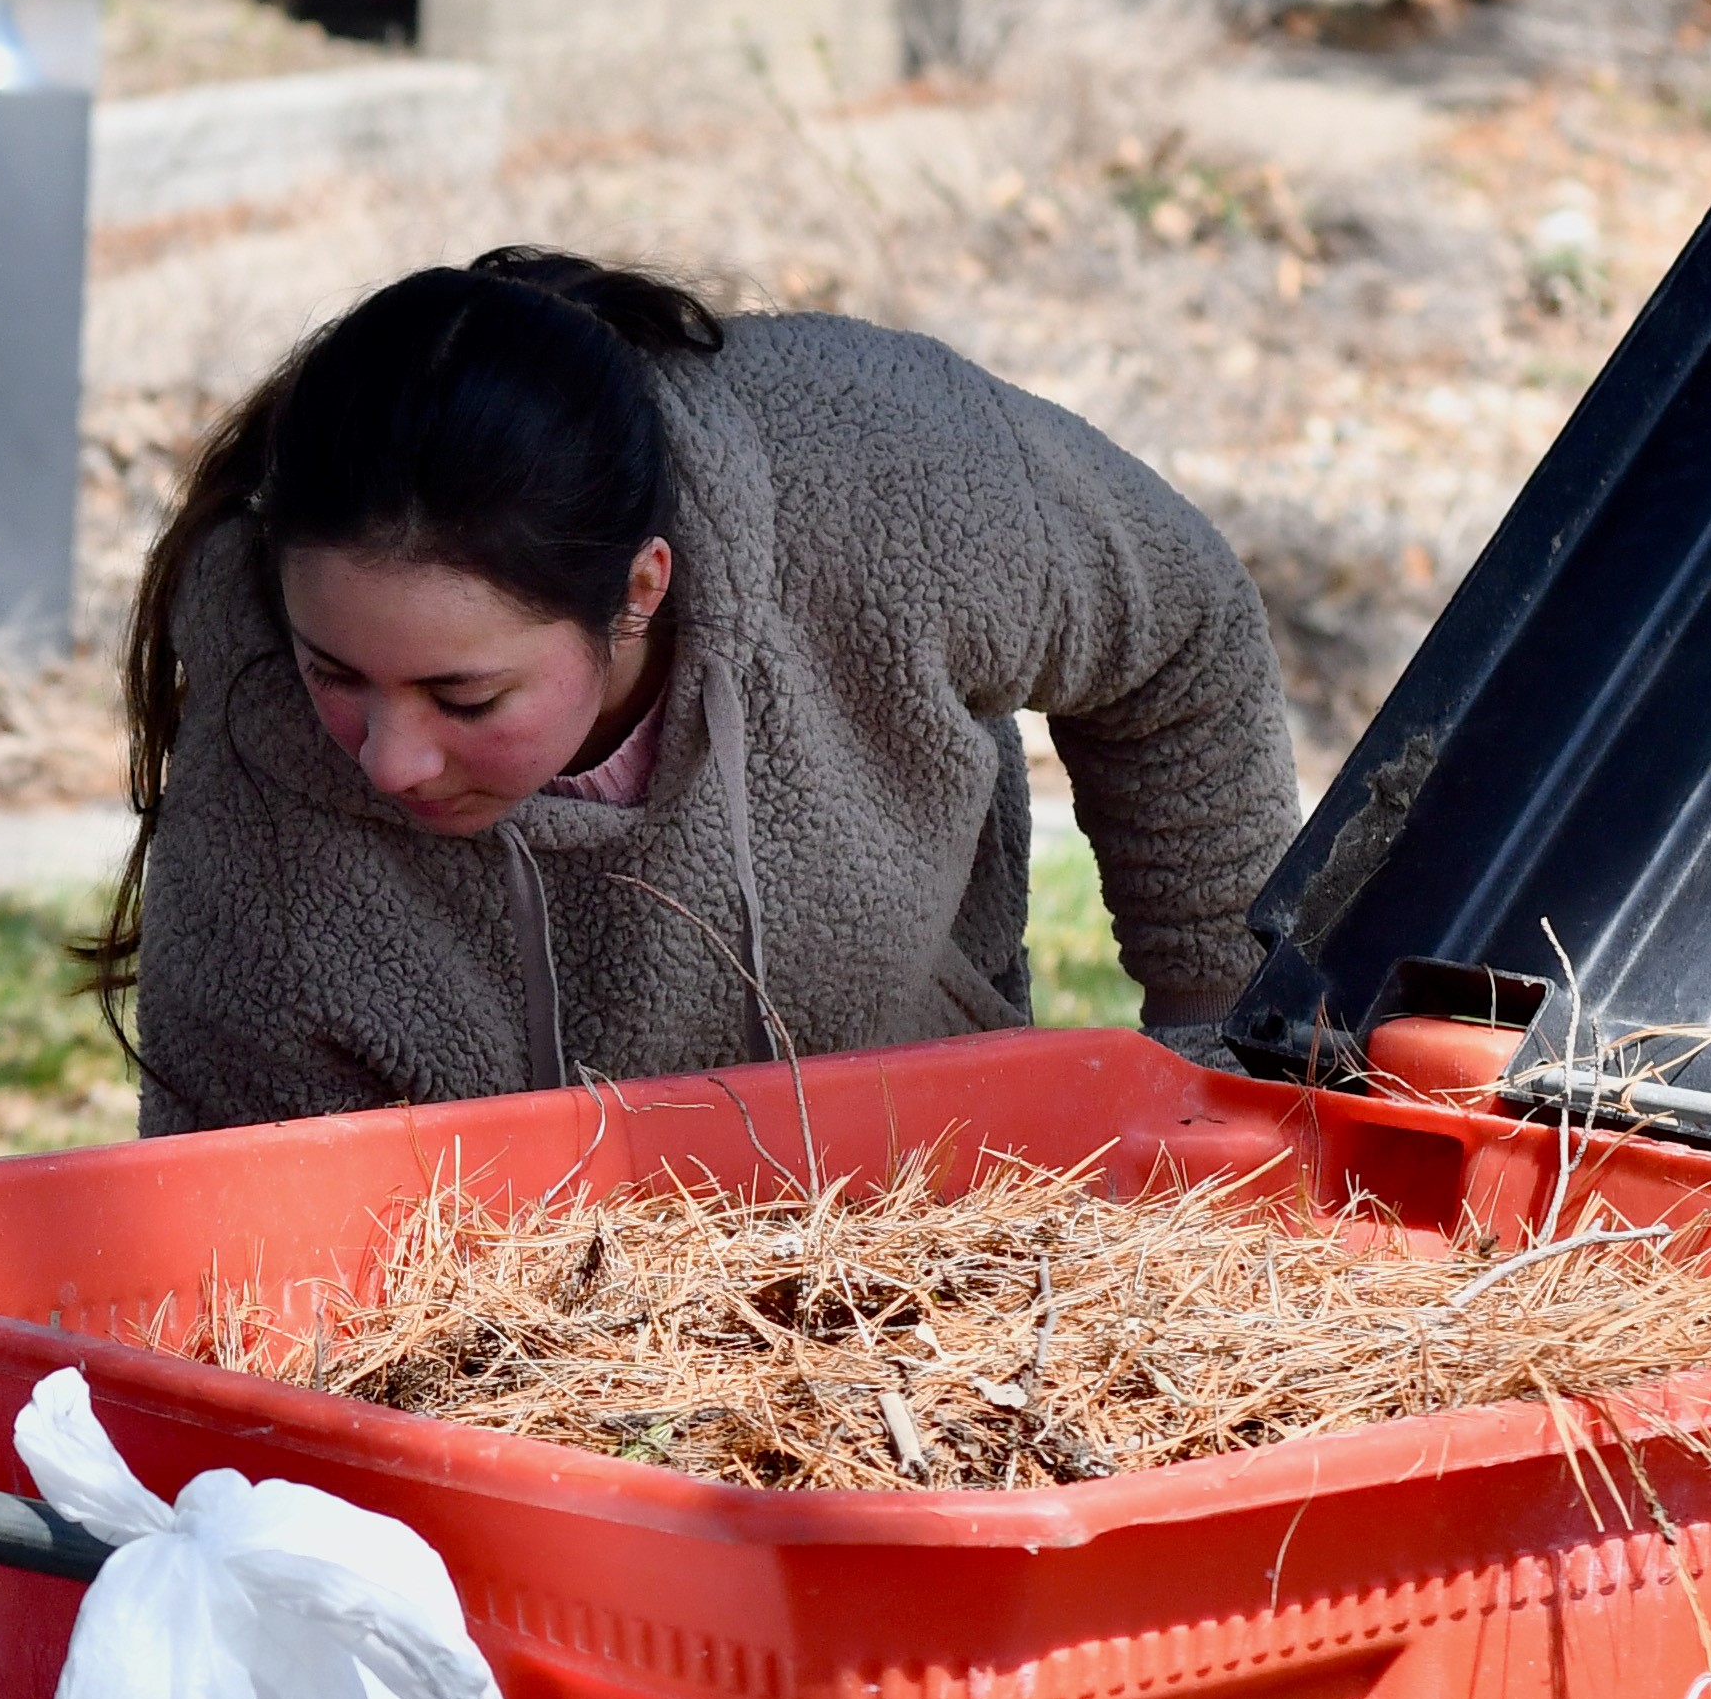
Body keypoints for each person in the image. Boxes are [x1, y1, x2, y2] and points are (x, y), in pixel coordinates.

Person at [94, 249, 1298, 1128]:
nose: (389, 758)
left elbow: (1184, 636)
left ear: (639, 588)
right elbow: (245, 1238)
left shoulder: (889, 473)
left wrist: (1224, 1055)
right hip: (518, 1340)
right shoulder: (256, 786)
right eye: (338, 673)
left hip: (943, 1204)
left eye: (464, 699)